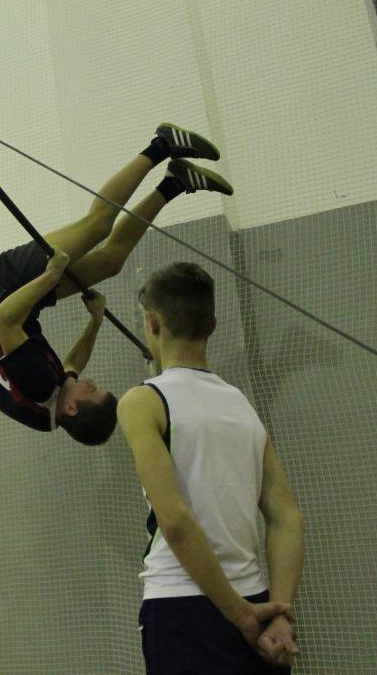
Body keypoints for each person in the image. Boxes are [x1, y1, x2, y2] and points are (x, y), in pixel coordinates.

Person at [0, 124, 234, 444]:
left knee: (97, 226)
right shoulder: (54, 406)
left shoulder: (39, 387)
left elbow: (2, 319)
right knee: (111, 262)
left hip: (2, 290)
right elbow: (72, 366)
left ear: (72, 408)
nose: (91, 383)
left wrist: (51, 276)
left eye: (92, 390)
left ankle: (162, 145)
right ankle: (175, 183)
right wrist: (95, 321)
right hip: (19, 304)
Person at [117, 262, 305, 674]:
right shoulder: (242, 405)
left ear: (152, 323)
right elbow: (287, 517)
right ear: (212, 325)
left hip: (183, 608)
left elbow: (175, 520)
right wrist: (278, 612)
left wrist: (239, 615)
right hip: (258, 604)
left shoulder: (141, 402)